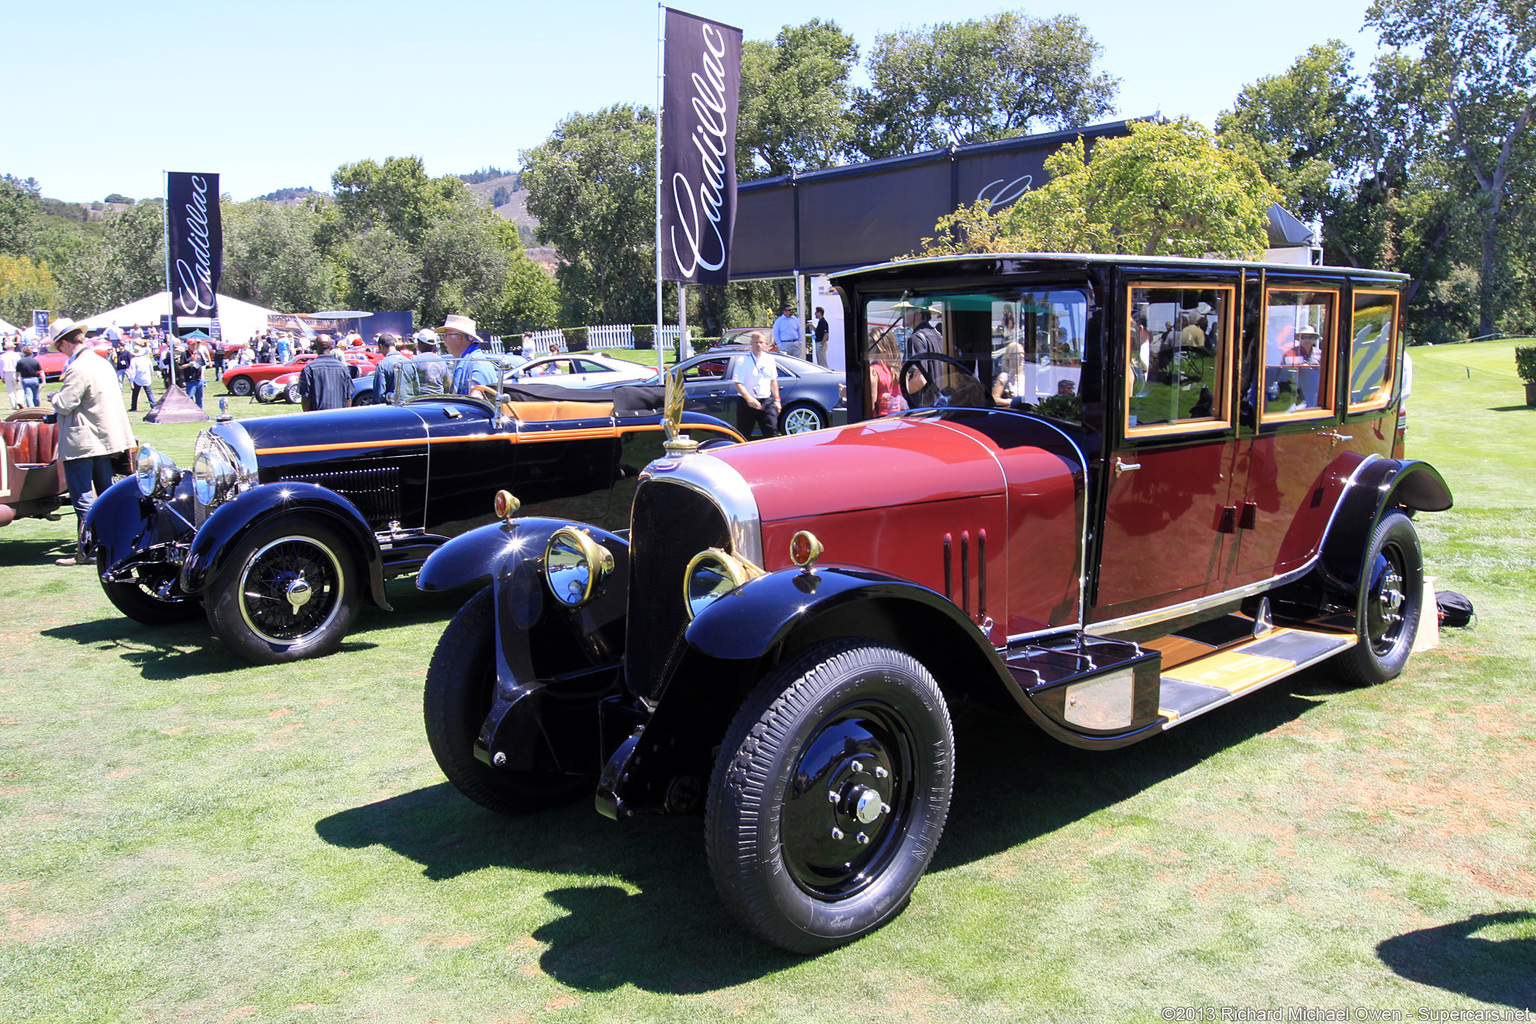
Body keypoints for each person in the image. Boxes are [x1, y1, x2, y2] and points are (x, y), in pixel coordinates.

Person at [46, 319, 134, 566]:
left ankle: (89, 551)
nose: (60, 351)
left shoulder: (79, 367)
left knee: (84, 498)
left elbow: (66, 403)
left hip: (83, 441)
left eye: (60, 347)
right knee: (105, 495)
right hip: (104, 439)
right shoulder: (100, 362)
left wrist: (54, 397)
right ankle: (112, 547)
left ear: (64, 343)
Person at [731, 330, 780, 438]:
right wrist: (749, 399)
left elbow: (773, 381)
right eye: (756, 342)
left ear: (765, 344)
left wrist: (777, 399)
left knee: (772, 434)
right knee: (743, 435)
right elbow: (738, 383)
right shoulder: (743, 360)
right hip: (747, 403)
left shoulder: (769, 359)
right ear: (751, 343)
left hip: (766, 401)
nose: (758, 345)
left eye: (761, 342)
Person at [439, 315, 497, 396]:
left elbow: (476, 401)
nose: (443, 340)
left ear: (458, 338)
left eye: (445, 335)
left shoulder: (474, 365)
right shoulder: (469, 361)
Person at [296, 335, 354, 411]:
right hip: (339, 416)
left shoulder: (309, 368)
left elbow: (306, 397)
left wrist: (308, 417)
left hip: (318, 417)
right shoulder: (343, 368)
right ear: (331, 347)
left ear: (315, 348)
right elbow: (348, 396)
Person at [372, 333, 404, 403]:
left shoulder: (382, 365)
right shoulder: (409, 362)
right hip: (410, 407)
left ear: (381, 346)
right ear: (394, 345)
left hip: (392, 408)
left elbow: (379, 393)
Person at [177, 341, 208, 408]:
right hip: (190, 380)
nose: (194, 346)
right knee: (190, 397)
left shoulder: (198, 353)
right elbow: (180, 366)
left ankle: (200, 413)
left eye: (194, 344)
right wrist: (188, 365)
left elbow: (202, 365)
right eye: (192, 345)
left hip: (199, 379)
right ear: (188, 345)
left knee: (199, 399)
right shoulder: (185, 354)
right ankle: (190, 412)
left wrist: (202, 377)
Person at [126, 344, 155, 412]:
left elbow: (133, 371)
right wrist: (150, 375)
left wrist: (131, 381)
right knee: (149, 393)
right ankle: (153, 406)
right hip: (146, 378)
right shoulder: (147, 359)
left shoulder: (133, 360)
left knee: (135, 394)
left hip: (137, 379)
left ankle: (134, 407)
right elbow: (151, 369)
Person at [1, 338, 20, 409]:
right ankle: (19, 400)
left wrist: (2, 377)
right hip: (16, 372)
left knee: (10, 390)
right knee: (19, 388)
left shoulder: (3, 356)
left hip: (7, 373)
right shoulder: (17, 355)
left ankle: (13, 405)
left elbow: (1, 368)